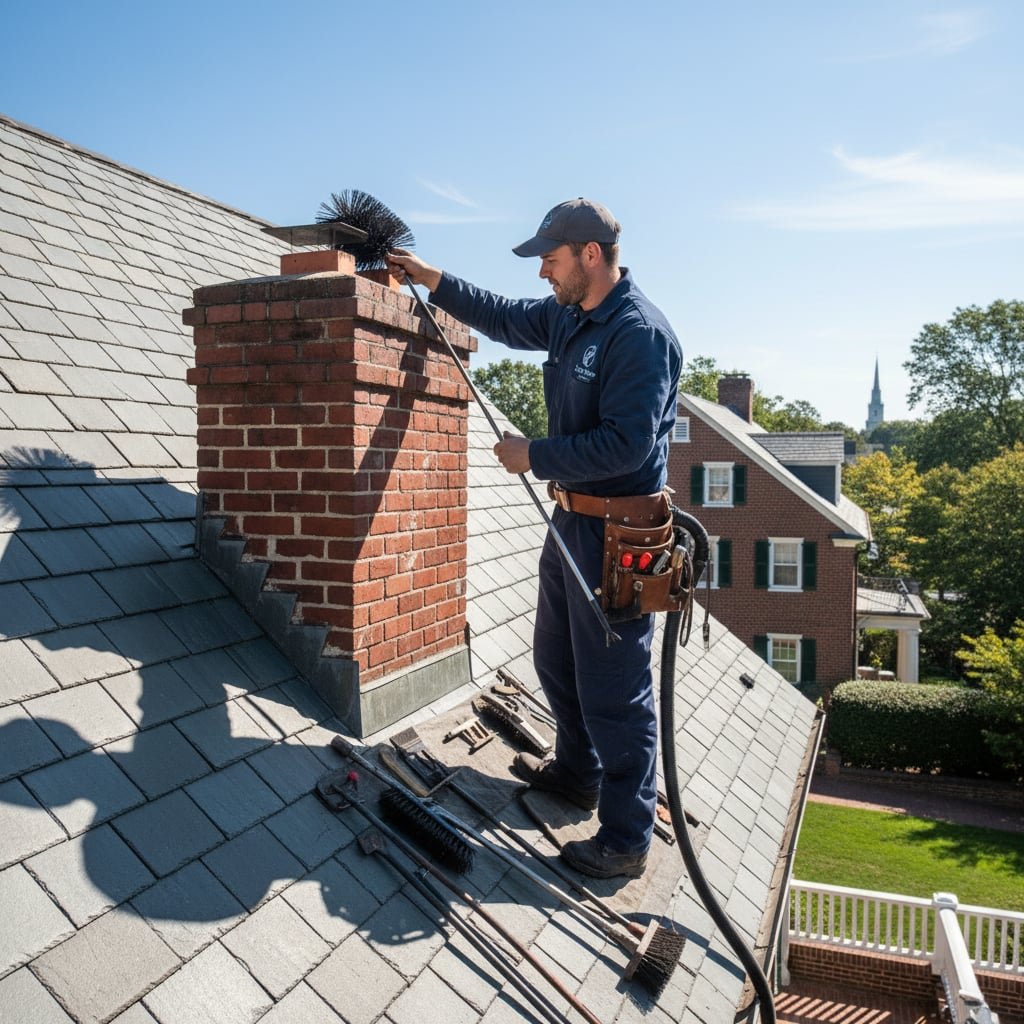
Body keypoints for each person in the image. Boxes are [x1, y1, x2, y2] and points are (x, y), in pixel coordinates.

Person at [388, 198, 682, 879]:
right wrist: (434, 279)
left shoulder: (638, 334)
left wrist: (536, 455)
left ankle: (626, 838)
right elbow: (504, 315)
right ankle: (577, 772)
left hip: (621, 533)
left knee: (616, 687)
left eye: (550, 260)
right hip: (574, 521)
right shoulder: (570, 317)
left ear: (589, 254)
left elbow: (627, 443)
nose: (542, 274)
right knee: (555, 656)